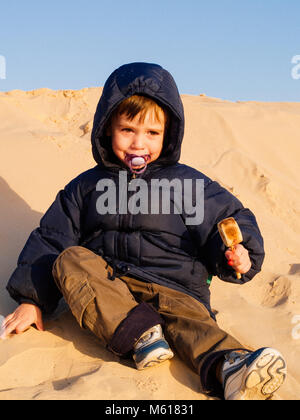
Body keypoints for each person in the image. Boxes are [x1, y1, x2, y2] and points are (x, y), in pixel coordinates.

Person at [2, 62, 286, 400]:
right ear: (108, 128)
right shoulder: (86, 188)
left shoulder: (188, 184)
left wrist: (240, 255)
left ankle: (230, 367)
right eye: (128, 130)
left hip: (176, 287)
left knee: (193, 324)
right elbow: (52, 236)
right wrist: (32, 300)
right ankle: (142, 336)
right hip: (113, 288)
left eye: (152, 133)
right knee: (69, 260)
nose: (139, 144)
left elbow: (228, 220)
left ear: (168, 134)